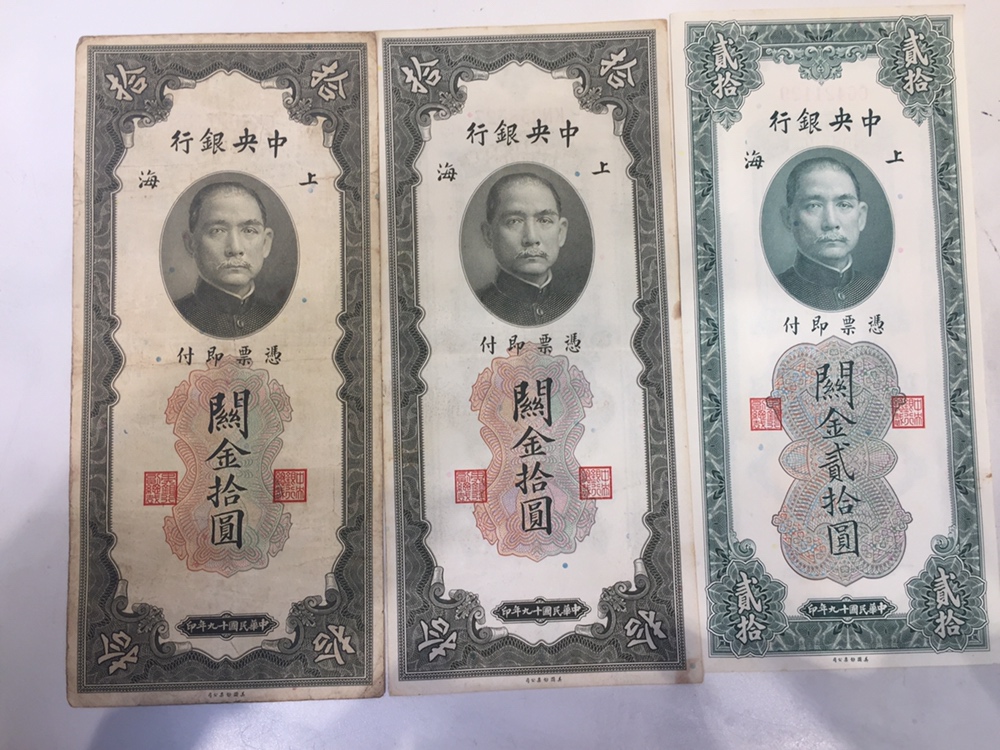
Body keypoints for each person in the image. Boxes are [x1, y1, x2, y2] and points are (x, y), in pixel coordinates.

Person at [174, 181, 280, 337]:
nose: (235, 249)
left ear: (265, 243)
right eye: (217, 231)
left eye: (249, 230)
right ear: (191, 244)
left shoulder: (280, 318)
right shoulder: (172, 318)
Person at [777, 156, 878, 311]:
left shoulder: (877, 290)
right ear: (788, 218)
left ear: (861, 217)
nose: (831, 222)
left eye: (844, 205)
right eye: (813, 206)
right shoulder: (774, 291)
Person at [477, 173, 577, 326]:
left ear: (561, 233)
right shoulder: (476, 306)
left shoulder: (577, 305)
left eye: (544, 220)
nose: (531, 238)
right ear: (489, 235)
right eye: (514, 221)